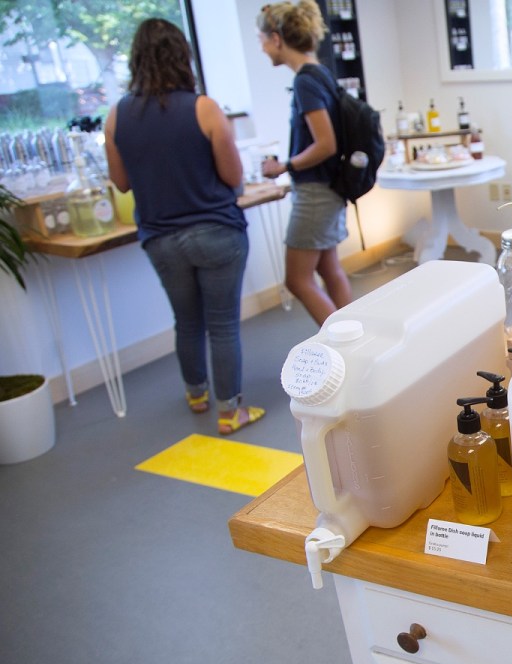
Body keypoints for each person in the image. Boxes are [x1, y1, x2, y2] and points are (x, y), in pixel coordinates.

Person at [105, 18, 264, 435]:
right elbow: (232, 177)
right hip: (217, 232)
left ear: (136, 60)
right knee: (223, 323)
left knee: (187, 321)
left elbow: (121, 182)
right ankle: (230, 411)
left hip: (160, 238)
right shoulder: (203, 108)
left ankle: (196, 395)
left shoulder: (116, 116)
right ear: (182, 57)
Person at [257, 0, 352, 326]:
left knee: (297, 280)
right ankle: (356, 339)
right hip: (330, 189)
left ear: (277, 39)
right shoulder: (321, 74)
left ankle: (344, 346)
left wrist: (285, 166)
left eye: (262, 39)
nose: (262, 47)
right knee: (329, 270)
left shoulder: (305, 81)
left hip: (314, 193)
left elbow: (325, 143)